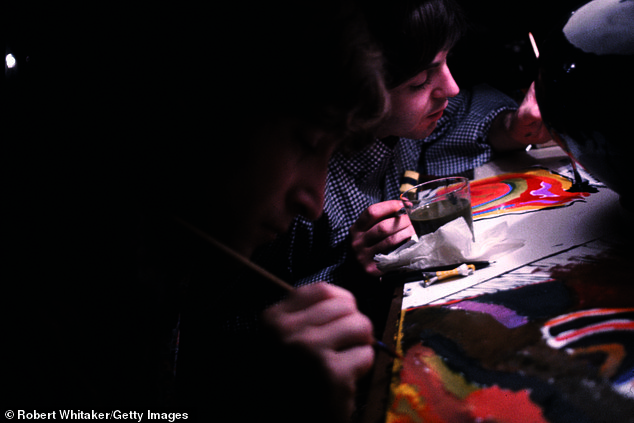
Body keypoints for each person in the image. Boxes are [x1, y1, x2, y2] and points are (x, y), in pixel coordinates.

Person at [10, 1, 388, 422]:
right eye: (306, 143)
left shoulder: (153, 267)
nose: (314, 203)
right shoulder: (47, 312)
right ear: (204, 106)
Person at [252, 0, 552, 326]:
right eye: (419, 82)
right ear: (365, 93)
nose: (451, 87)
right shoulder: (288, 195)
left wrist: (510, 127)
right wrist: (349, 273)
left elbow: (459, 117)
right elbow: (233, 324)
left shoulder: (406, 127)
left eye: (447, 61)